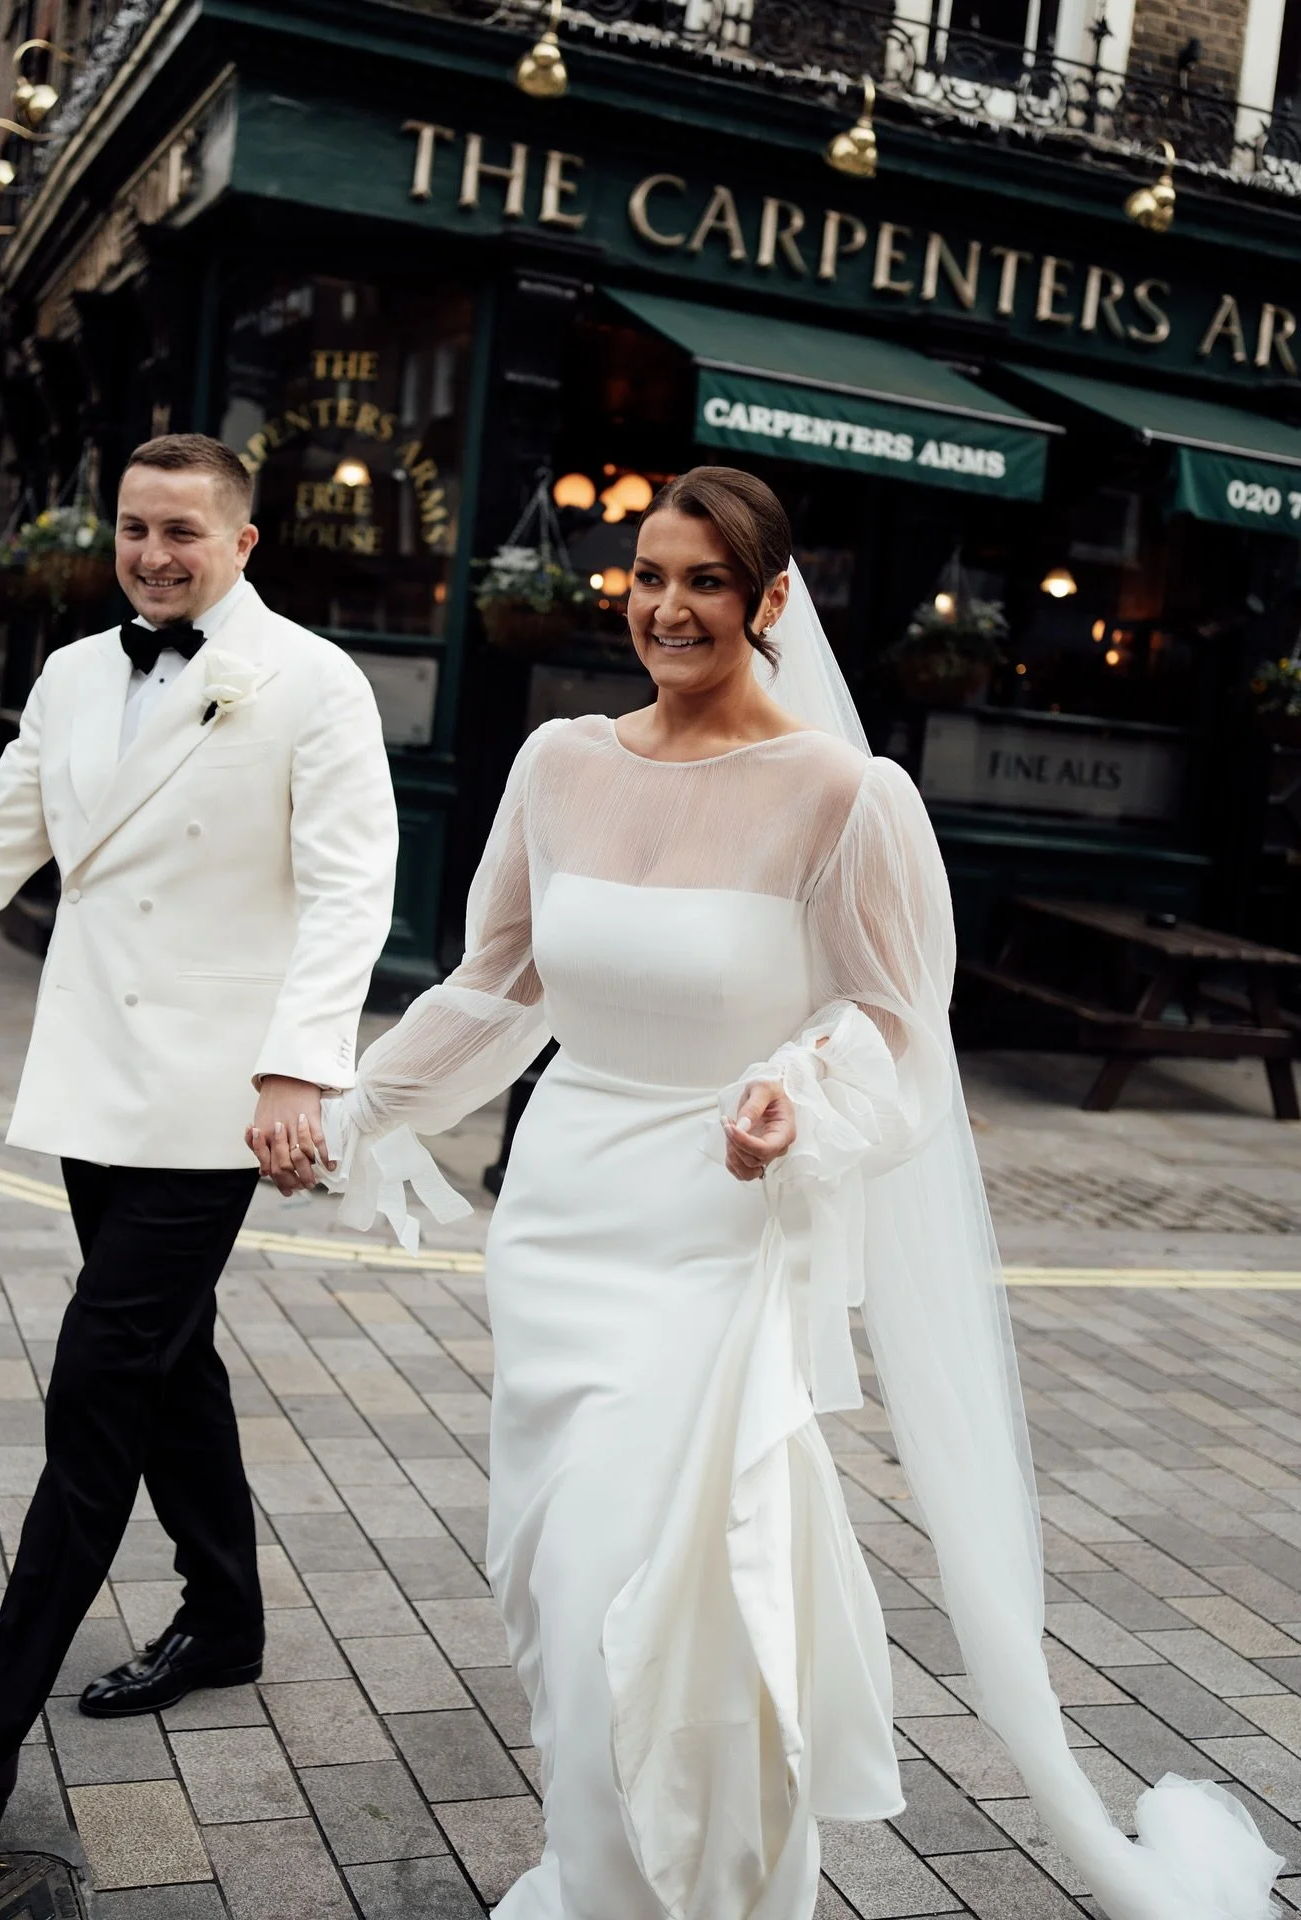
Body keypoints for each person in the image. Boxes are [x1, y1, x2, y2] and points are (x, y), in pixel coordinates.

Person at [257, 468, 1281, 1920]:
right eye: (649, 576)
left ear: (773, 601)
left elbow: (897, 1023)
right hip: (561, 1225)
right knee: (560, 1585)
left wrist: (795, 1089)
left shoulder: (850, 799)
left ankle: (683, 1891)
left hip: (717, 1233)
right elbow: (497, 985)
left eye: (708, 583)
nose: (668, 608)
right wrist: (356, 1110)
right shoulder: (557, 763)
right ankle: (599, 1861)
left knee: (659, 1583)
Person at [0, 433, 397, 1842]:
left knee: (99, 1379)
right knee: (168, 1357)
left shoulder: (314, 683)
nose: (154, 553)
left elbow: (353, 892)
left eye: (183, 531)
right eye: (134, 528)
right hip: (98, 1078)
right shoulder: (74, 673)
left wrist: (300, 1070)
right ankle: (222, 1616)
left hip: (221, 1100)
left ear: (243, 542)